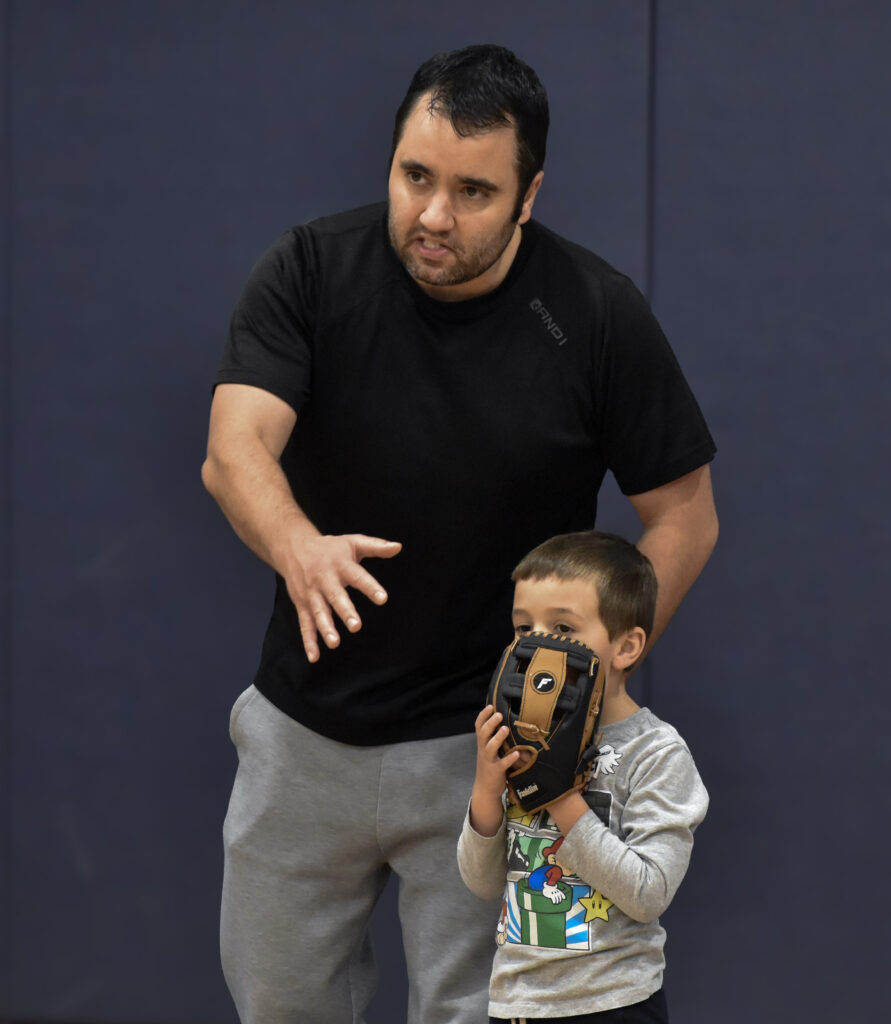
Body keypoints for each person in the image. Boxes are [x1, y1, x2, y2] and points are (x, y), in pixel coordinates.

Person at [202, 43, 718, 1024]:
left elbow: (685, 515)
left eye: (474, 190)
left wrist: (594, 675)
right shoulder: (312, 270)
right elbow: (234, 452)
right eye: (415, 176)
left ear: (529, 196)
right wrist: (298, 547)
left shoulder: (595, 315)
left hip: (490, 748)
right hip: (304, 737)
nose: (434, 214)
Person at [459, 530, 709, 1023]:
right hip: (517, 1001)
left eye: (564, 629)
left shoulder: (655, 752)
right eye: (523, 628)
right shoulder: (515, 738)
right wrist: (487, 788)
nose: (537, 648)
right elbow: (483, 883)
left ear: (626, 646)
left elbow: (648, 892)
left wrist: (559, 795)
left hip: (612, 1001)